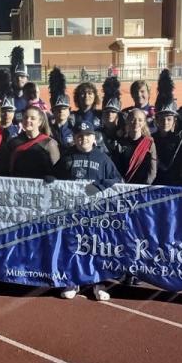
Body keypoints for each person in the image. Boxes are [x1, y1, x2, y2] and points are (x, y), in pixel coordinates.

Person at [52, 122, 122, 301]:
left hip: (96, 213)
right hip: (71, 211)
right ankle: (72, 280)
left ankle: (98, 282)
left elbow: (117, 179)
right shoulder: (67, 156)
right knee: (72, 245)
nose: (83, 139)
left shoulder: (102, 158)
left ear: (94, 138)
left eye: (87, 135)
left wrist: (99, 186)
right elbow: (56, 175)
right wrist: (51, 178)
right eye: (80, 136)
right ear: (75, 138)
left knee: (96, 246)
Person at [152, 69, 182, 185]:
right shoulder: (151, 139)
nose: (165, 122)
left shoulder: (180, 140)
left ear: (174, 120)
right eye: (161, 119)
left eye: (169, 119)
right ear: (156, 120)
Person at [7, 107, 61, 179]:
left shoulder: (49, 143)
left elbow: (58, 170)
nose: (28, 120)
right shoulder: (13, 142)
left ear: (39, 122)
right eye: (25, 117)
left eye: (33, 118)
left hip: (41, 187)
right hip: (19, 187)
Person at [110, 108, 157, 185]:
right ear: (127, 121)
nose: (136, 122)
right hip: (123, 186)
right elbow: (115, 167)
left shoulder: (149, 143)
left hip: (142, 187)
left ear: (144, 123)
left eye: (140, 120)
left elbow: (152, 170)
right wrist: (122, 185)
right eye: (133, 119)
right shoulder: (120, 143)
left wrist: (145, 185)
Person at [48, 67, 76, 152]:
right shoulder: (48, 130)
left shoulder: (75, 129)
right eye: (57, 109)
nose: (61, 111)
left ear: (69, 110)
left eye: (64, 108)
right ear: (52, 111)